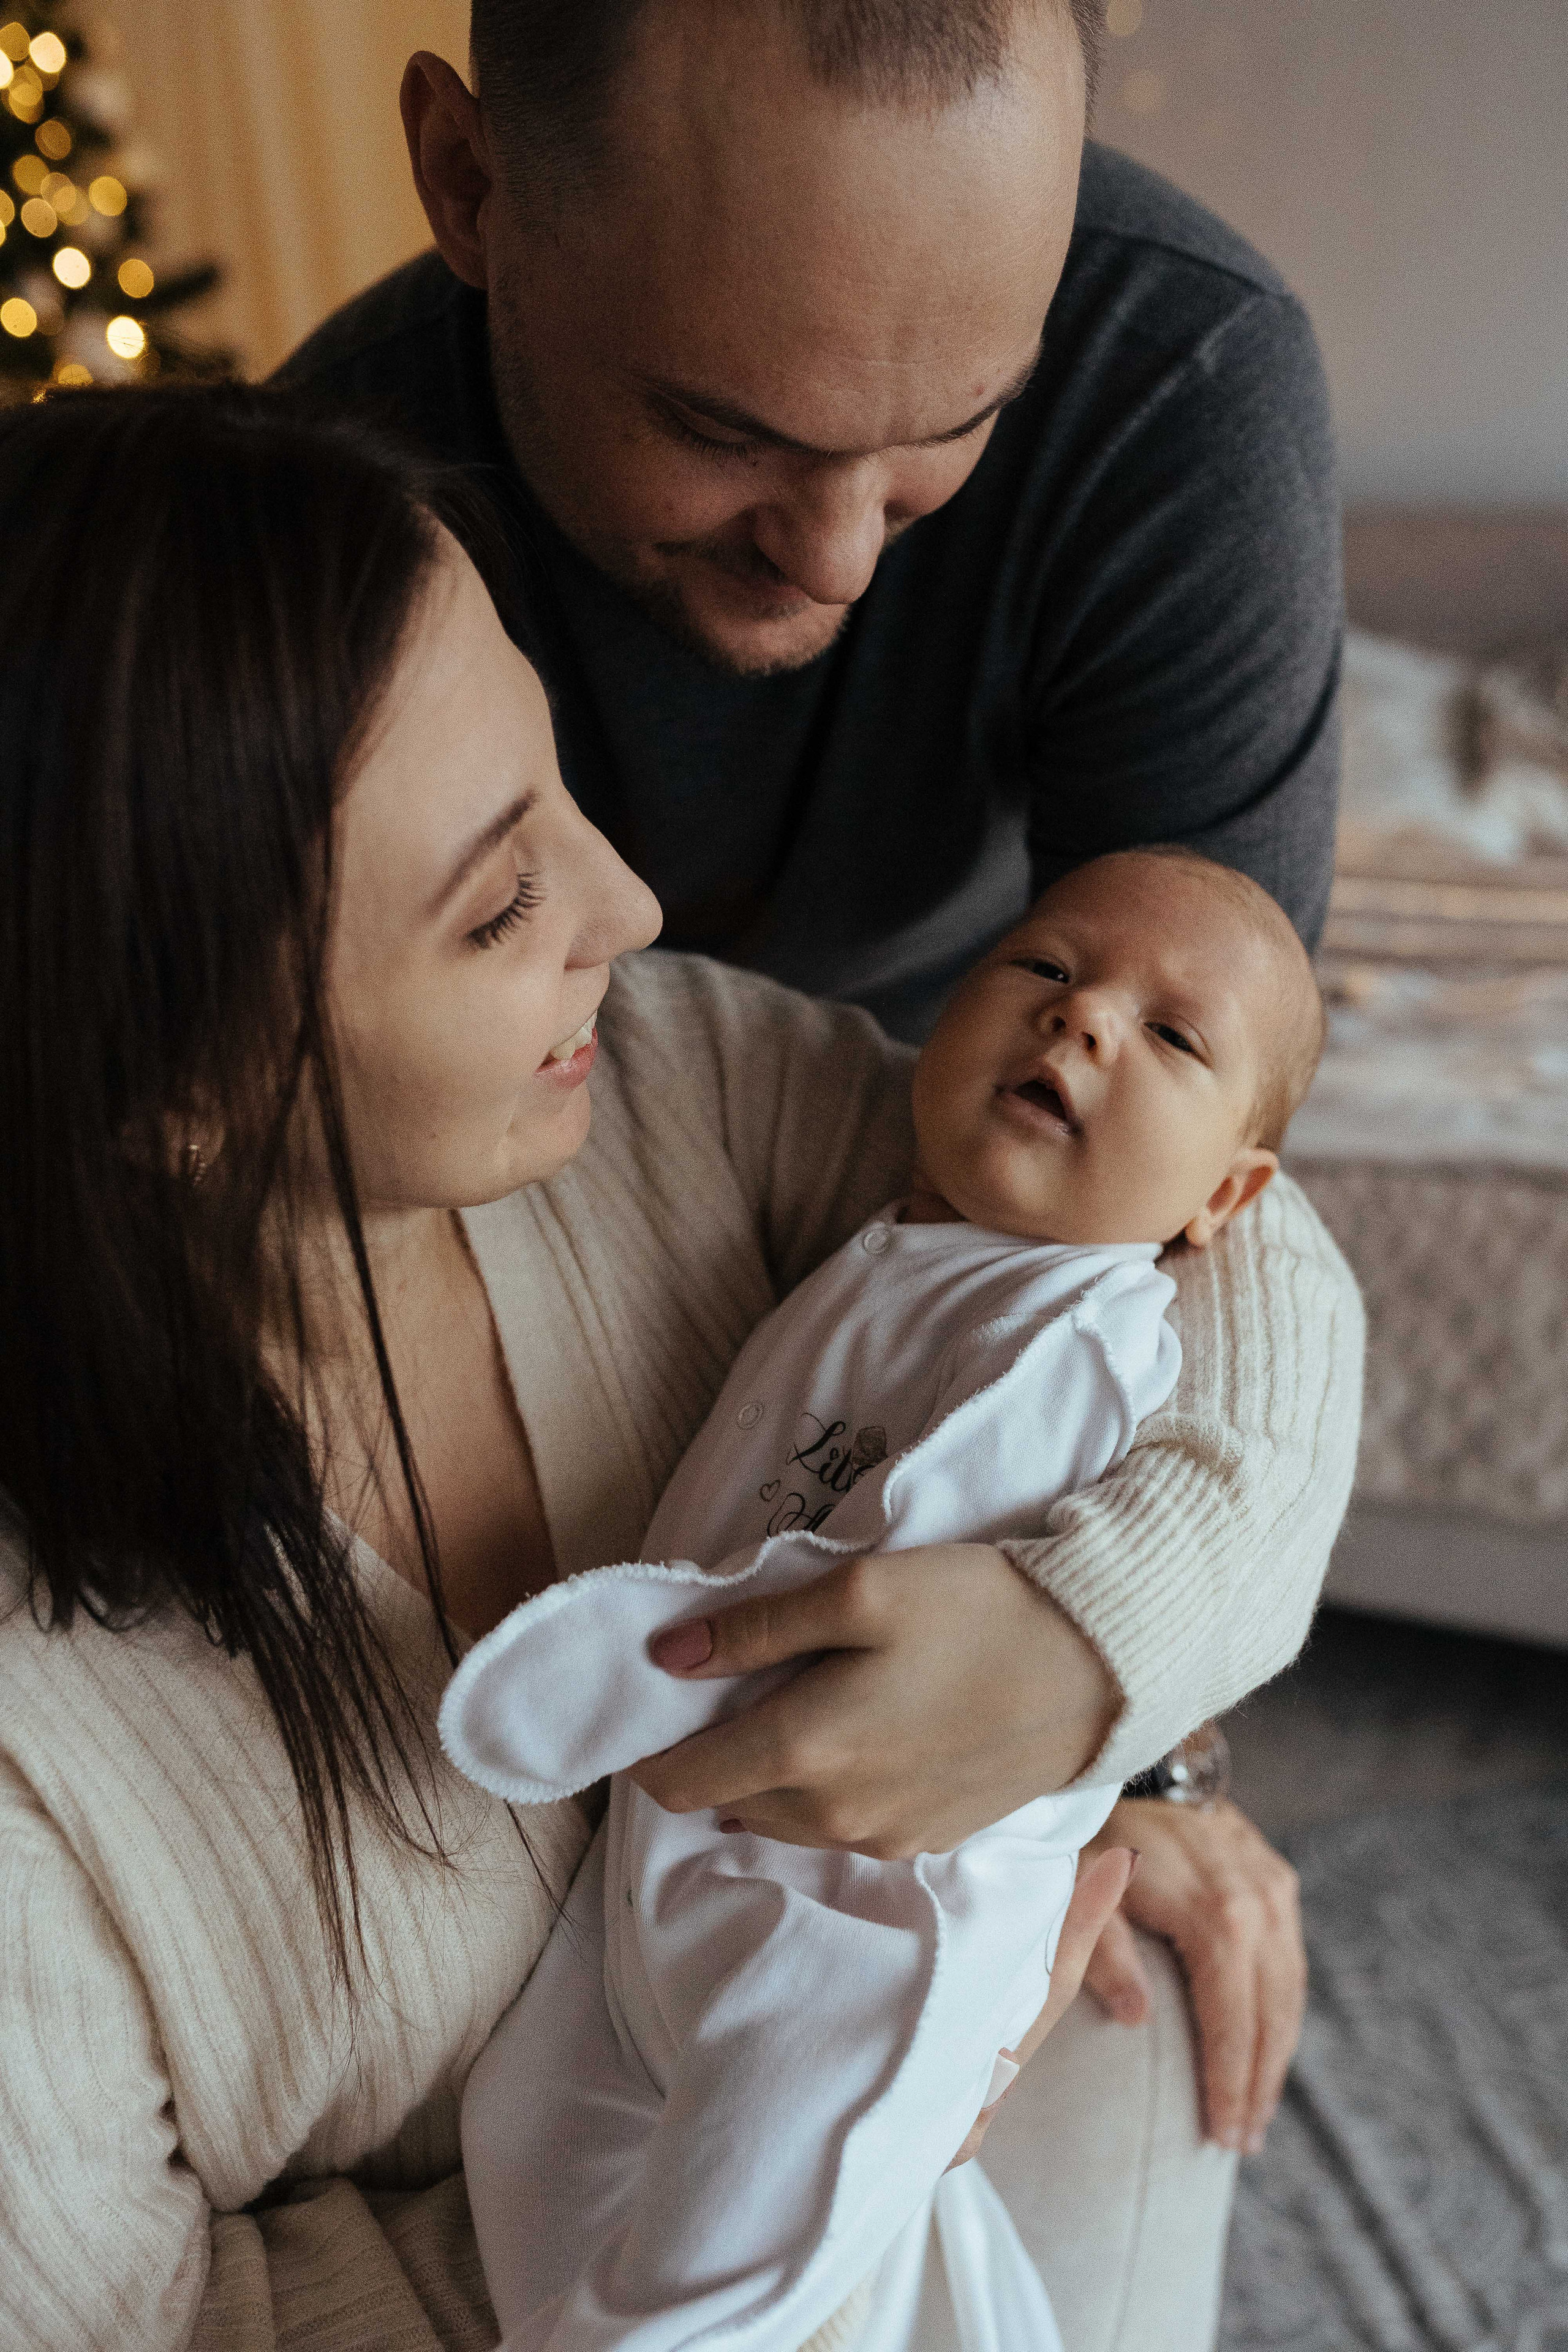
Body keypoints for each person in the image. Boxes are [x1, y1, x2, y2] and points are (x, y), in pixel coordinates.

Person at [0, 385, 1360, 2352]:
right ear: (173, 1084)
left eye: (553, 778)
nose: (628, 908)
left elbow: (1237, 1258)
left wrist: (1088, 1655)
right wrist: (762, 2188)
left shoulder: (667, 1089)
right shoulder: (47, 1787)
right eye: (496, 904)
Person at [277, 0, 1345, 2243]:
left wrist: (1106, 1687)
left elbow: (1214, 1168)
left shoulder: (1179, 386)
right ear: (475, 191)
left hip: (968, 1226)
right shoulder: (322, 528)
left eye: (950, 434)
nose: (845, 560)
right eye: (724, 432)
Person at [441, 850, 1328, 2352]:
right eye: (1042, 969)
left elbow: (879, 1586)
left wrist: (611, 1674)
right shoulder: (891, 1251)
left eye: (1170, 1036)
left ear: (1223, 1196)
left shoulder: (1084, 1333)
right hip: (677, 1869)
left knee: (746, 2239)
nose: (1081, 1023)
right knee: (529, 2142)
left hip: (878, 1916)